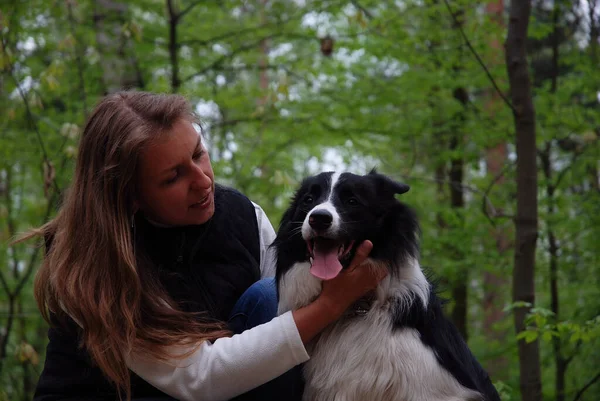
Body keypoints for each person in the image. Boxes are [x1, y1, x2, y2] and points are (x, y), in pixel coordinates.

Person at [24, 91, 387, 401]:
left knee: (270, 295)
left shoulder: (243, 216)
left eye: (198, 154)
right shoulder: (93, 265)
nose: (203, 181)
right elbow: (200, 377)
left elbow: (287, 317)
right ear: (130, 197)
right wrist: (331, 303)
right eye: (173, 177)